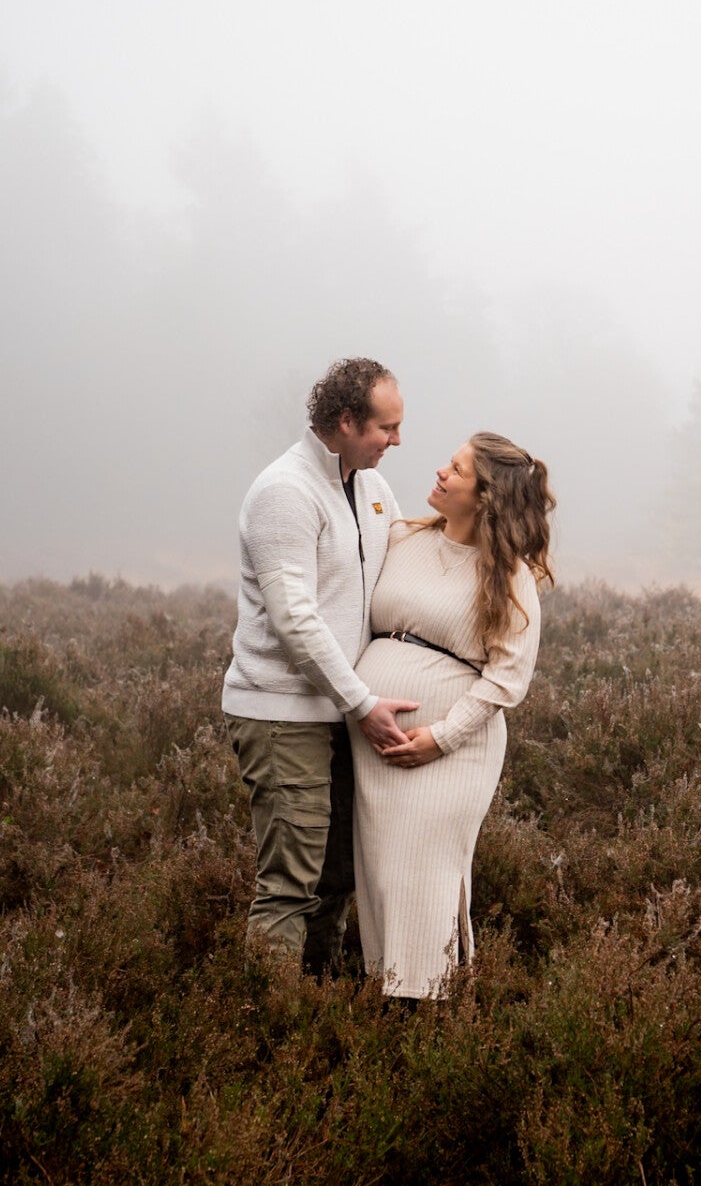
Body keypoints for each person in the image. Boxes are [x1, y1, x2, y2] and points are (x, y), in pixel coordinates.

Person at [221, 357, 421, 973]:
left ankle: (319, 1000)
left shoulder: (374, 489)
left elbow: (409, 569)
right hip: (284, 715)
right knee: (291, 883)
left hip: (343, 715)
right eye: (386, 427)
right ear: (347, 420)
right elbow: (294, 620)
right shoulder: (284, 492)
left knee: (337, 874)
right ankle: (273, 1017)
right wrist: (362, 702)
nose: (397, 440)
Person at [349, 431, 555, 1001]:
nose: (441, 472)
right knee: (383, 874)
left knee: (426, 875)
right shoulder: (404, 538)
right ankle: (388, 996)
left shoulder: (508, 576)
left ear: (487, 497)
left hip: (453, 754)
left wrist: (439, 738)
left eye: (458, 470)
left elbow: (508, 679)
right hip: (375, 744)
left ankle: (428, 1005)